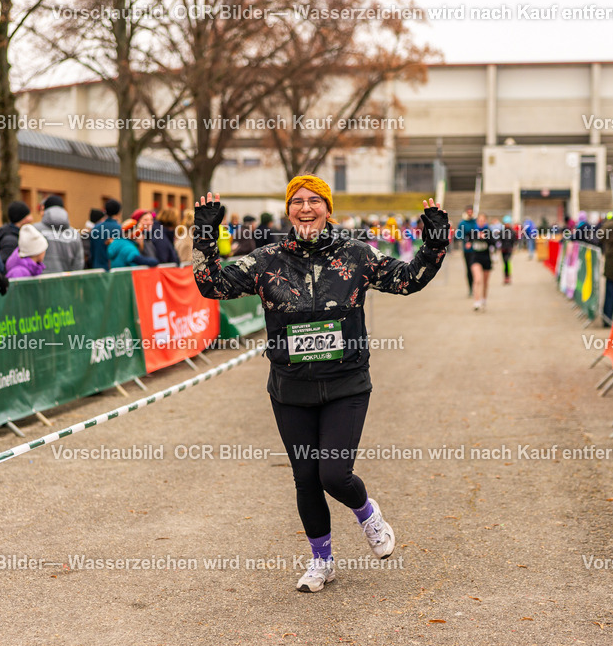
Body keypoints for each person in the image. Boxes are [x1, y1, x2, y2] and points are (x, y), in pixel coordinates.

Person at [191, 175, 449, 593]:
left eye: (315, 201)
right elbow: (212, 285)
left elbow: (408, 279)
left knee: (333, 473)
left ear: (329, 210)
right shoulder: (267, 259)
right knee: (306, 479)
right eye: (298, 202)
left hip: (346, 383)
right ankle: (322, 561)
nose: (306, 208)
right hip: (290, 387)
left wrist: (435, 244)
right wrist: (205, 234)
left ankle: (367, 513)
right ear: (288, 209)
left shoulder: (356, 255)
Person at [35, 202, 84, 273]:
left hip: (41, 281)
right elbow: (78, 263)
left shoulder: (35, 229)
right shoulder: (74, 233)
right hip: (66, 281)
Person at [463, 213, 493, 311]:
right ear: (477, 221)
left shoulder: (488, 231)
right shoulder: (473, 232)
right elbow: (467, 240)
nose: (481, 222)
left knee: (485, 281)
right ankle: (476, 301)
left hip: (486, 258)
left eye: (483, 220)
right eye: (479, 220)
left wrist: (485, 238)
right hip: (475, 258)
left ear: (485, 221)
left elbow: (493, 243)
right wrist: (468, 243)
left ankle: (483, 298)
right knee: (477, 279)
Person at [90, 199, 122, 270]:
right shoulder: (120, 229)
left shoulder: (95, 228)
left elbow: (92, 252)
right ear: (119, 213)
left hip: (97, 268)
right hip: (113, 269)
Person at [456, 207, 478, 296]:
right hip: (467, 250)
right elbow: (458, 234)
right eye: (468, 212)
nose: (469, 213)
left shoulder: (475, 222)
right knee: (469, 269)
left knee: (476, 269)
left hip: (476, 249)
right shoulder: (462, 223)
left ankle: (476, 287)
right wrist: (465, 240)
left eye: (471, 212)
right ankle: (470, 288)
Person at [498, 215, 516, 284]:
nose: (507, 225)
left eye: (508, 223)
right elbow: (498, 240)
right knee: (504, 263)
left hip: (509, 249)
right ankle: (505, 276)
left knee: (507, 261)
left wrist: (514, 248)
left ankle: (508, 276)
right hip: (503, 249)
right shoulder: (501, 232)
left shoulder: (512, 232)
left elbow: (514, 241)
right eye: (506, 223)